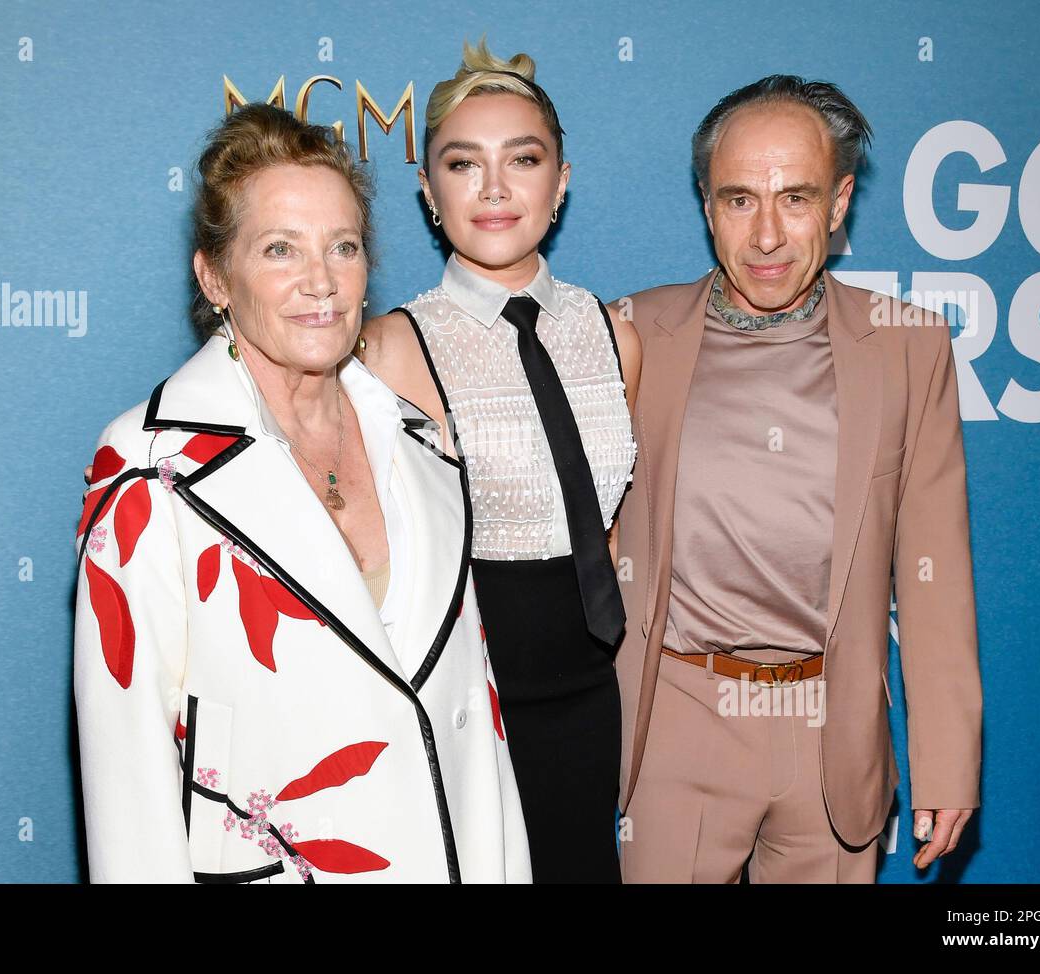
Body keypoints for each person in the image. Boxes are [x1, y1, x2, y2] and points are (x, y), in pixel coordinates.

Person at [73, 102, 530, 883]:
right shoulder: (150, 465)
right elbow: (127, 770)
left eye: (343, 247)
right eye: (280, 249)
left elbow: (477, 734)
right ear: (214, 275)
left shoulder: (420, 445)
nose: (320, 282)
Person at [612, 75, 982, 883]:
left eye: (797, 198)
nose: (768, 235)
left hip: (834, 725)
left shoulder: (907, 348)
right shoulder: (633, 334)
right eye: (740, 199)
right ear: (706, 204)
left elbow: (936, 571)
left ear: (840, 202)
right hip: (679, 718)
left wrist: (949, 760)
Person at [359, 38, 641, 884]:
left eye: (523, 159)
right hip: (460, 695)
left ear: (560, 182)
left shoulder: (612, 333)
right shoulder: (387, 350)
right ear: (427, 191)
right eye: (461, 163)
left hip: (589, 691)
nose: (493, 188)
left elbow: (610, 527)